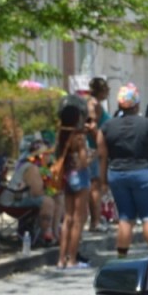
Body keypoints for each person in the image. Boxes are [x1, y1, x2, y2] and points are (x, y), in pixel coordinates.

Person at [97, 83, 148, 272]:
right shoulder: (146, 124)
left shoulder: (107, 126)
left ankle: (120, 259)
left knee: (125, 217)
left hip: (116, 174)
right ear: (136, 105)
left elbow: (102, 155)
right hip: (143, 173)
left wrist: (102, 181)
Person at [53, 106, 91, 269]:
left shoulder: (60, 134)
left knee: (67, 218)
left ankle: (61, 259)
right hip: (80, 177)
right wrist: (92, 157)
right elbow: (83, 162)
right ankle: (72, 259)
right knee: (78, 219)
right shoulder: (79, 137)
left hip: (66, 175)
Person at [85, 77, 111, 233]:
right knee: (96, 185)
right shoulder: (94, 105)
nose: (108, 92)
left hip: (95, 148)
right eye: (106, 89)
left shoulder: (92, 103)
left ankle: (96, 218)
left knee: (96, 185)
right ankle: (95, 221)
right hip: (95, 149)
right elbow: (92, 126)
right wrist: (100, 142)